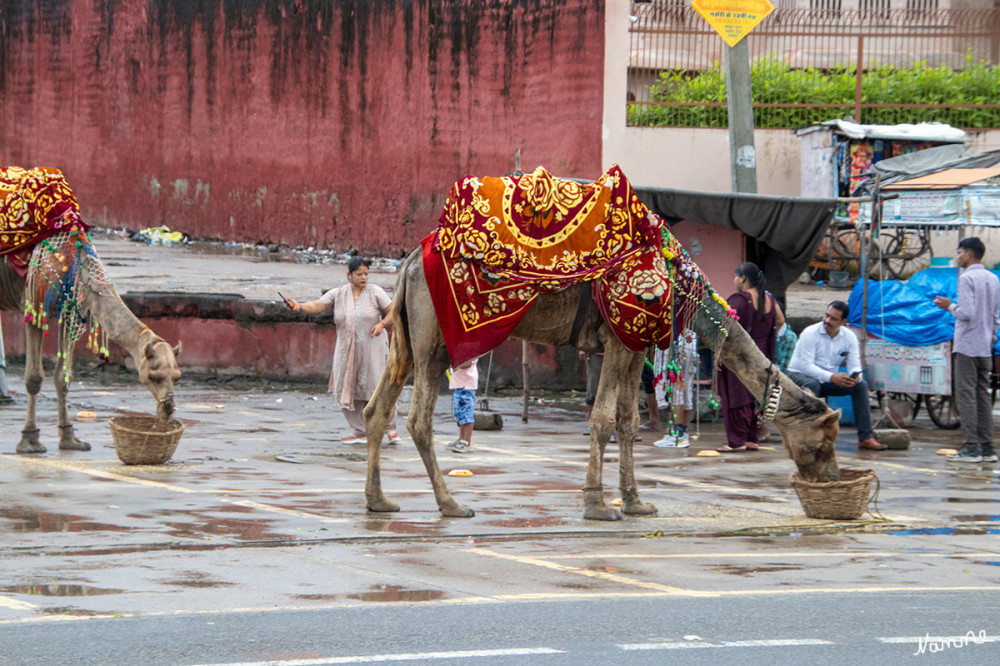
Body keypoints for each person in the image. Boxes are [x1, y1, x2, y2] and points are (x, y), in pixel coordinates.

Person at [285, 256, 400, 445]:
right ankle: (361, 430)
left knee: (379, 386)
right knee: (349, 387)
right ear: (349, 275)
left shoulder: (375, 292)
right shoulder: (338, 294)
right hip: (347, 351)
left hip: (373, 351)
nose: (364, 278)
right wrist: (299, 306)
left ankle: (390, 428)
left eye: (366, 274)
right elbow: (318, 305)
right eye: (359, 274)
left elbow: (393, 310)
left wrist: (382, 324)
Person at [933, 237, 1000, 463]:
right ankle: (987, 447)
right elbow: (996, 317)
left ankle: (971, 446)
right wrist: (990, 339)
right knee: (982, 394)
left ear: (969, 254)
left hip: (968, 346)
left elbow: (967, 312)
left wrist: (949, 306)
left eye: (960, 252)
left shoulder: (966, 278)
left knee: (966, 395)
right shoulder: (993, 279)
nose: (958, 256)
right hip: (985, 347)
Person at [787, 300, 885, 451]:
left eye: (833, 319)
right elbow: (806, 367)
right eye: (826, 316)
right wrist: (832, 378)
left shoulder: (849, 336)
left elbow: (854, 363)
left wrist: (854, 376)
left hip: (826, 378)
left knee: (860, 386)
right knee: (813, 385)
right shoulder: (810, 333)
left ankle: (866, 437)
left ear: (843, 322)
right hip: (799, 375)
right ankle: (808, 438)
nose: (827, 321)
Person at [716, 262, 779, 452]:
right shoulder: (770, 299)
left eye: (736, 276)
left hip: (739, 355)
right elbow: (778, 324)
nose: (735, 280)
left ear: (743, 278)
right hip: (761, 355)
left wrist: (720, 353)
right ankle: (752, 438)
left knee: (736, 396)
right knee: (754, 395)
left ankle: (737, 441)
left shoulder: (740, 300)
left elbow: (725, 329)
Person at [653, 329, 696, 448]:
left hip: (671, 339)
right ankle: (682, 431)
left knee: (675, 388)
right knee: (685, 386)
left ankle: (675, 434)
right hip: (689, 338)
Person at [447, 357, 479, 453]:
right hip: (458, 384)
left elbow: (468, 363)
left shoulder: (471, 348)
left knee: (466, 413)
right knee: (461, 415)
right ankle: (461, 439)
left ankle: (466, 441)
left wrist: (454, 364)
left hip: (466, 386)